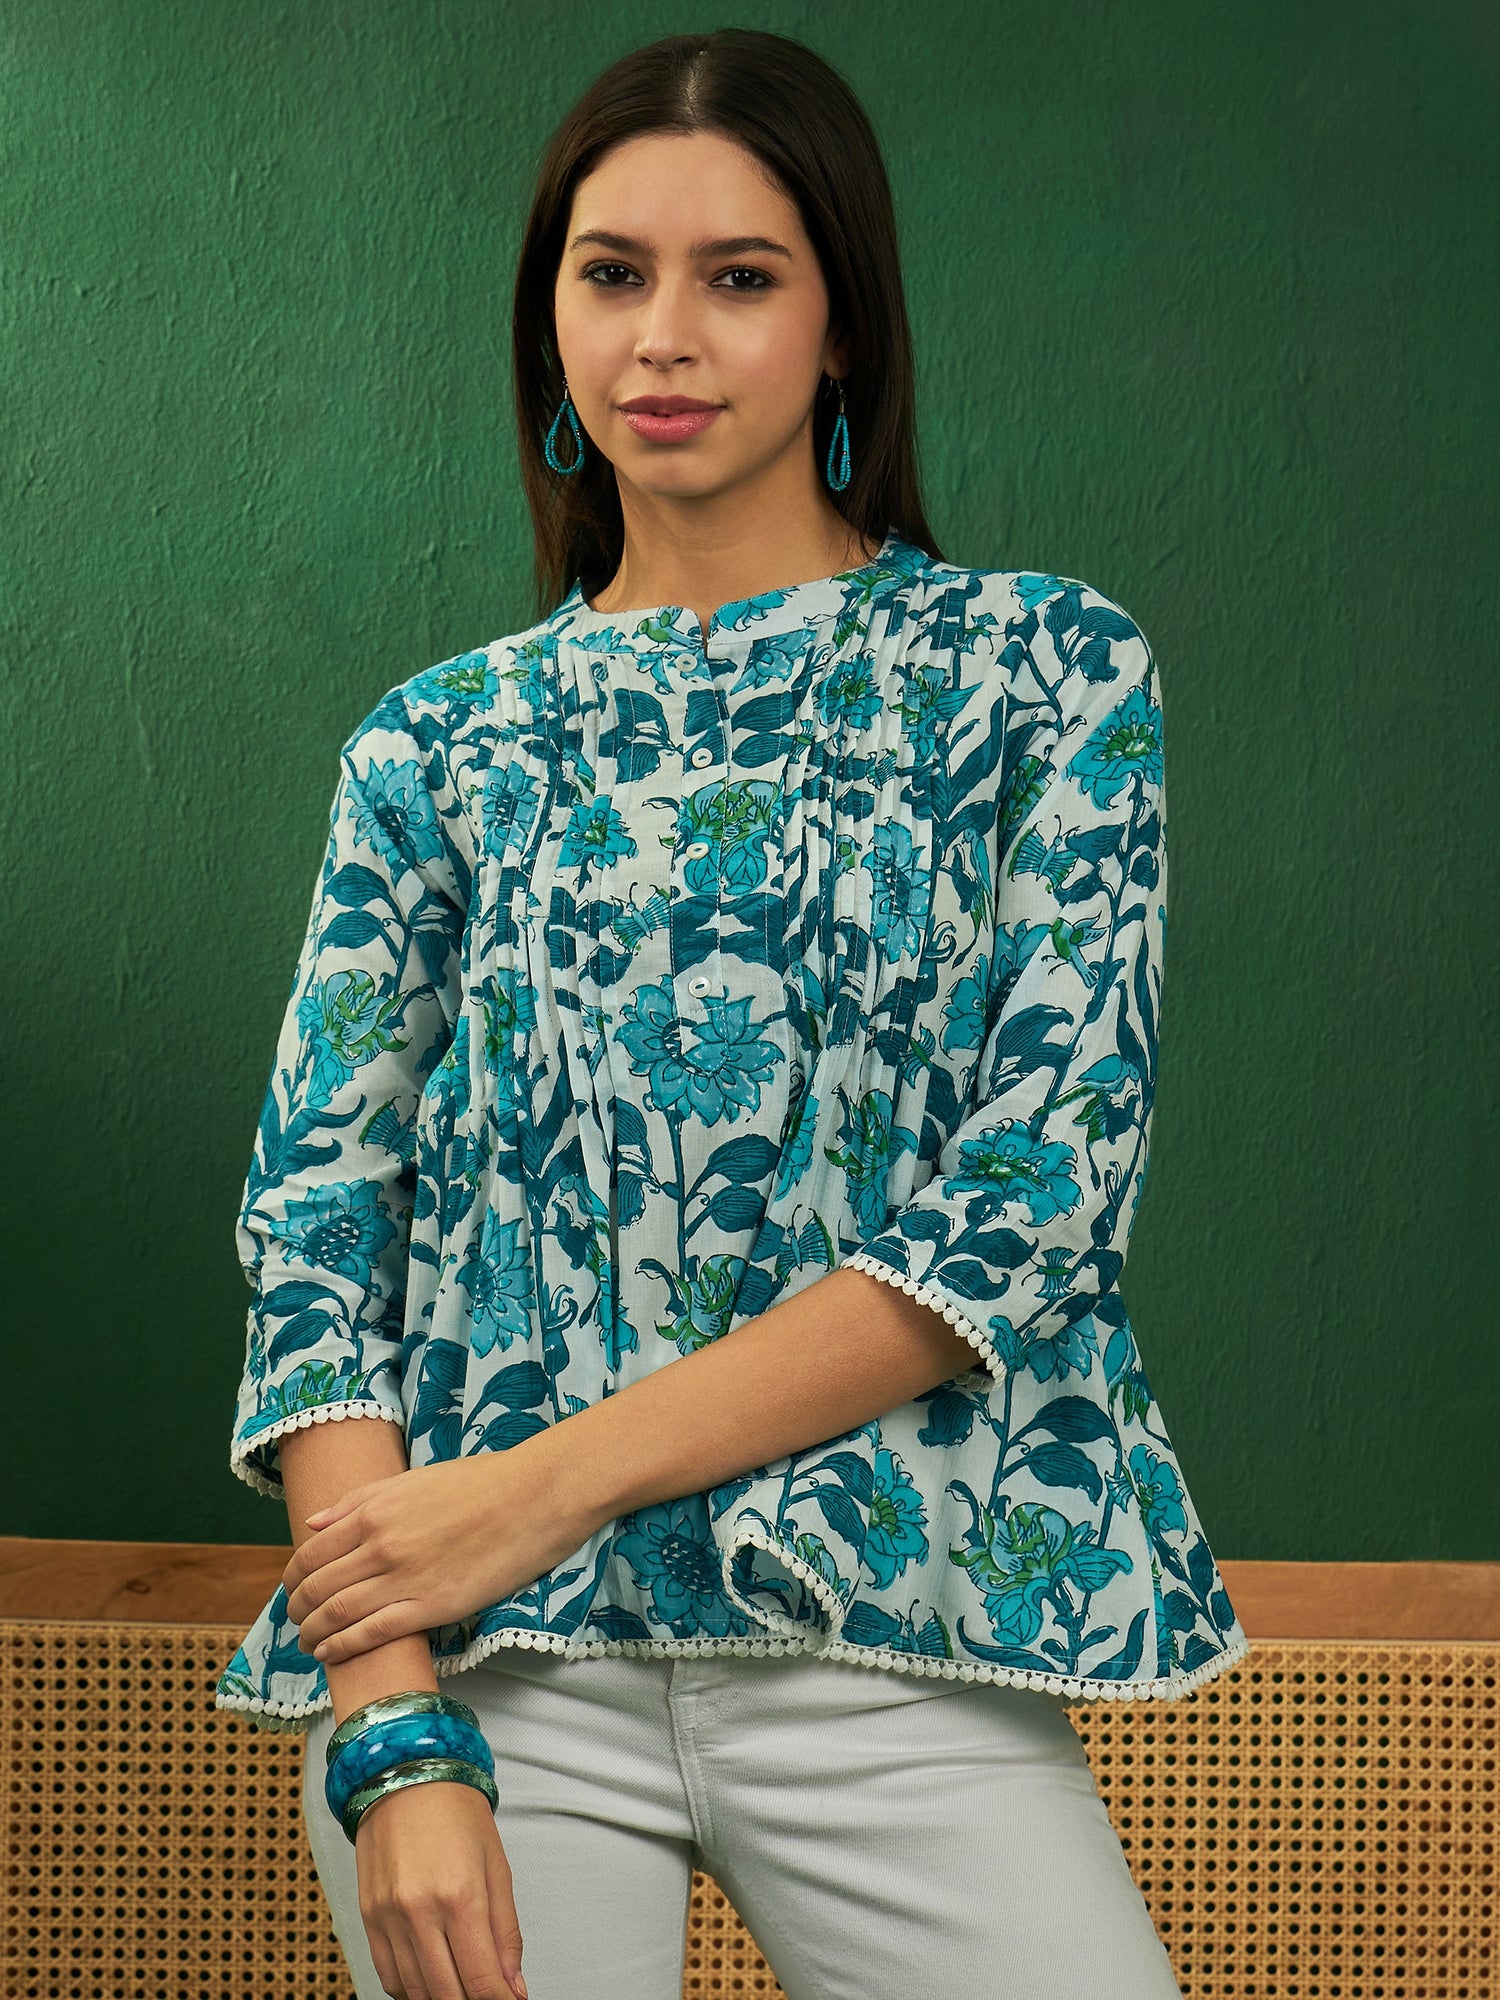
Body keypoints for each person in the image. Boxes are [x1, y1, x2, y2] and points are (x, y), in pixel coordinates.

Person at [214, 27, 1247, 2000]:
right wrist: (394, 1725)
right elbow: (320, 1240)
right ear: (551, 316)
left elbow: (1027, 1209)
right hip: (490, 1672)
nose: (663, 337)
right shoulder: (440, 743)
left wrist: (526, 1490)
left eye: (741, 275)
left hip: (890, 1625)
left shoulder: (1042, 677)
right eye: (612, 273)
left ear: (844, 326)